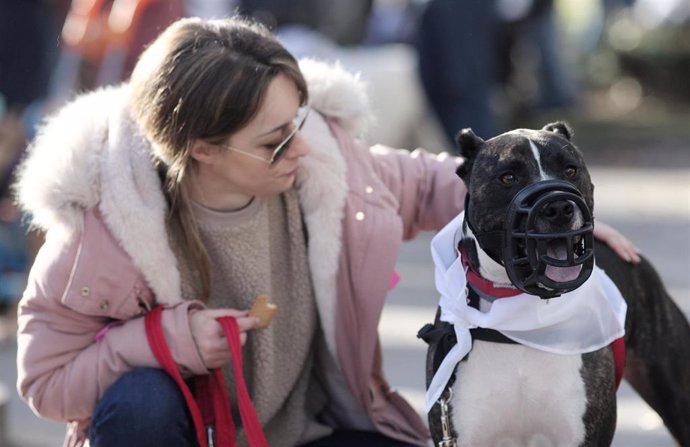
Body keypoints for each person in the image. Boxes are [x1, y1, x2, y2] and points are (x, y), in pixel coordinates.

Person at [13, 16, 640, 447]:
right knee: (140, 402)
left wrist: (548, 208)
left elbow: (440, 182)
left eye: (300, 119)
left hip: (318, 428)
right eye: (273, 139)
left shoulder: (324, 160)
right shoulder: (101, 225)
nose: (300, 146)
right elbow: (44, 382)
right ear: (201, 149)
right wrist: (163, 340)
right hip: (187, 432)